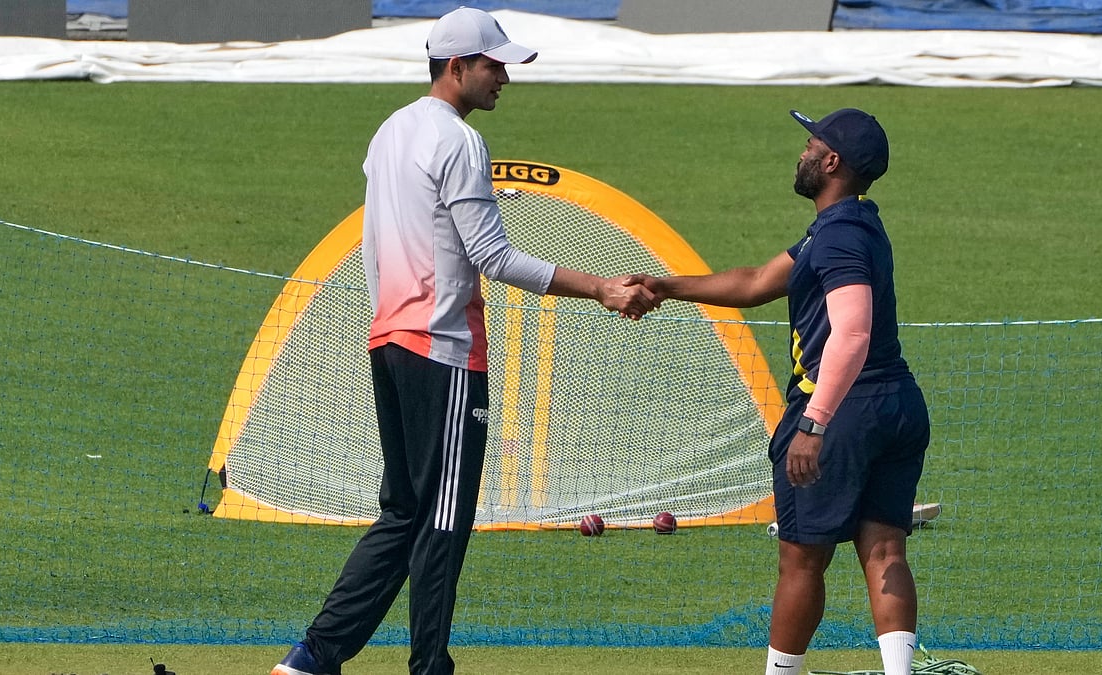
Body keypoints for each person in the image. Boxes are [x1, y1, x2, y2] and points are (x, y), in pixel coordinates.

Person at [270, 8, 658, 675]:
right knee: (443, 519)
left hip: (389, 340)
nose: (504, 76)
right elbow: (493, 256)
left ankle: (311, 658)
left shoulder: (391, 132)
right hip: (444, 350)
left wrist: (387, 316)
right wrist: (599, 286)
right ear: (457, 67)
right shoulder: (459, 141)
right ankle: (428, 667)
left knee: (403, 512)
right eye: (493, 64)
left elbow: (373, 243)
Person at [630, 108, 930, 675]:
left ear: (832, 162)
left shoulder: (839, 236)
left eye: (812, 142)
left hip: (841, 411)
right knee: (885, 551)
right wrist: (664, 285)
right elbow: (755, 283)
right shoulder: (853, 223)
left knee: (800, 562)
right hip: (897, 405)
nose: (803, 151)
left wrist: (814, 423)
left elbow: (854, 330)